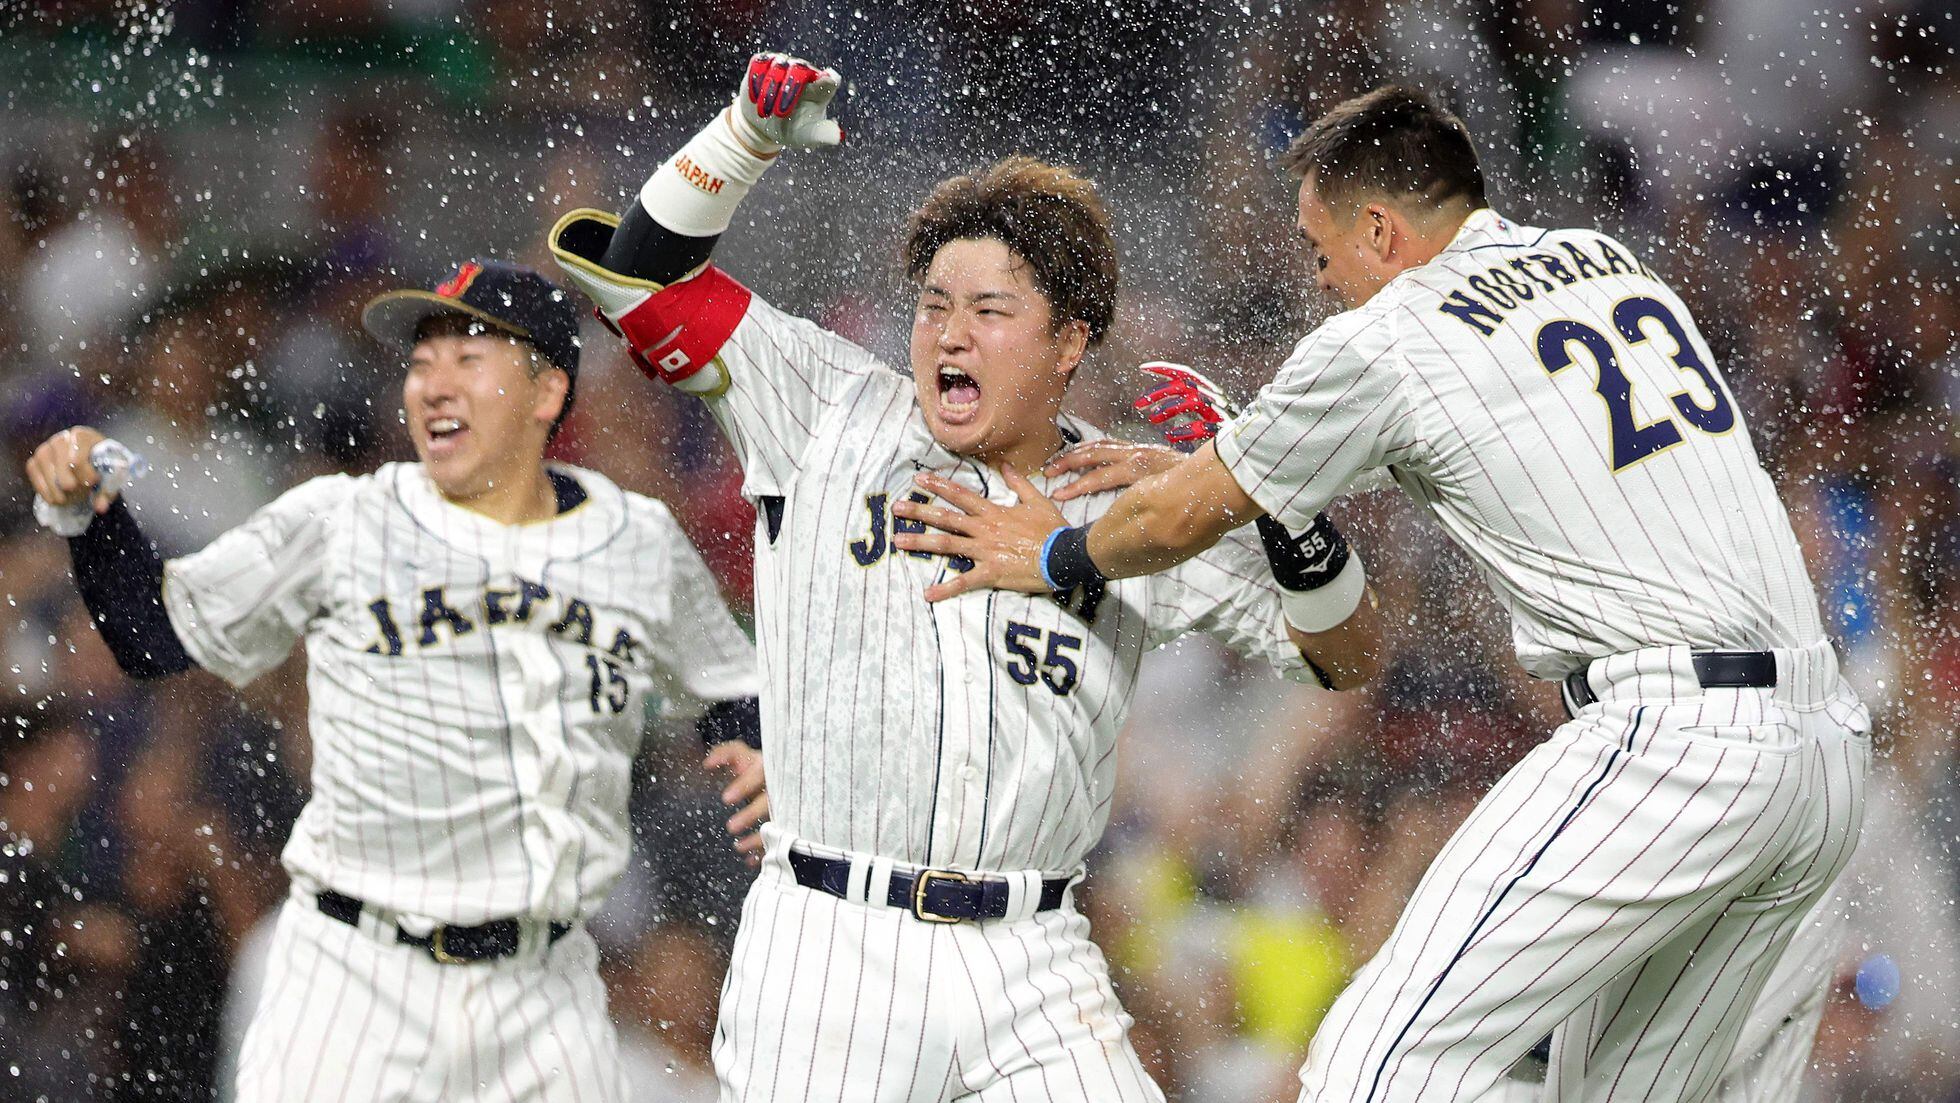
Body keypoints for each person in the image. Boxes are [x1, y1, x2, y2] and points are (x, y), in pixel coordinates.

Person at [900, 85, 1870, 1103]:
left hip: (1673, 743)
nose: (1323, 284)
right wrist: (1208, 470)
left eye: (1324, 253)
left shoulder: (1391, 333)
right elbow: (1452, 437)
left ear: (1381, 228)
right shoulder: (1599, 259)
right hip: (1816, 752)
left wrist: (1055, 553)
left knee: (1378, 1060)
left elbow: (1189, 518)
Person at [547, 51, 1380, 1102]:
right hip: (830, 947)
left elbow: (1345, 651)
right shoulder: (827, 407)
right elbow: (643, 273)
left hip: (1030, 956)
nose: (948, 331)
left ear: (1071, 339)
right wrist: (743, 138)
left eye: (990, 309)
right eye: (933, 303)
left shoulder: (1134, 504)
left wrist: (1274, 502)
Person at [23, 259, 769, 1102]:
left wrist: (746, 749)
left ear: (547, 394)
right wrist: (93, 516)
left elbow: (727, 685)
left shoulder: (636, 538)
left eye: (467, 359)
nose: (433, 384)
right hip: (356, 977)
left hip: (540, 987)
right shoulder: (344, 519)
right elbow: (154, 637)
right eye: (421, 362)